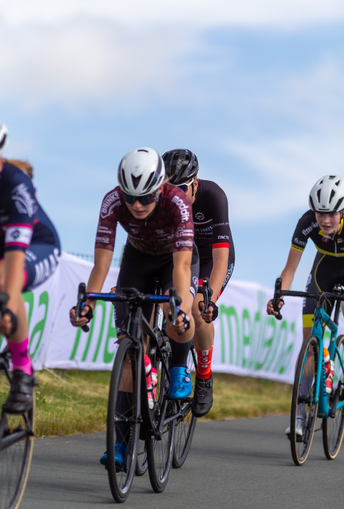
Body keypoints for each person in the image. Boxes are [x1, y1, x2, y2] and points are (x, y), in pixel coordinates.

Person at [69, 147, 199, 466]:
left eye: (145, 198)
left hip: (174, 259)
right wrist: (88, 304)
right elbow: (101, 265)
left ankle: (180, 367)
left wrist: (179, 307)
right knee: (130, 347)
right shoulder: (112, 202)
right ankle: (121, 446)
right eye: (131, 198)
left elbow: (182, 268)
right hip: (137, 258)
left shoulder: (177, 203)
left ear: (159, 188)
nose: (137, 205)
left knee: (177, 311)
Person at [267, 175, 344, 435]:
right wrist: (278, 295)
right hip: (323, 269)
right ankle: (299, 418)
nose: (324, 221)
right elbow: (290, 269)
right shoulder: (306, 223)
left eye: (331, 215)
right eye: (320, 214)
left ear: (343, 211)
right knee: (309, 346)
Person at [163, 148, 235, 418]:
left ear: (194, 183)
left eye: (181, 188)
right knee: (165, 304)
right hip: (179, 255)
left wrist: (210, 300)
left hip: (210, 257)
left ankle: (204, 375)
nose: (175, 196)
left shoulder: (213, 196)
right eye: (168, 189)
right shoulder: (159, 200)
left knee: (198, 309)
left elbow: (220, 259)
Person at [0, 121, 61, 413]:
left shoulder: (16, 186)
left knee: (5, 284)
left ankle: (23, 369)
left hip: (38, 245)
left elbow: (13, 264)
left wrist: (8, 308)